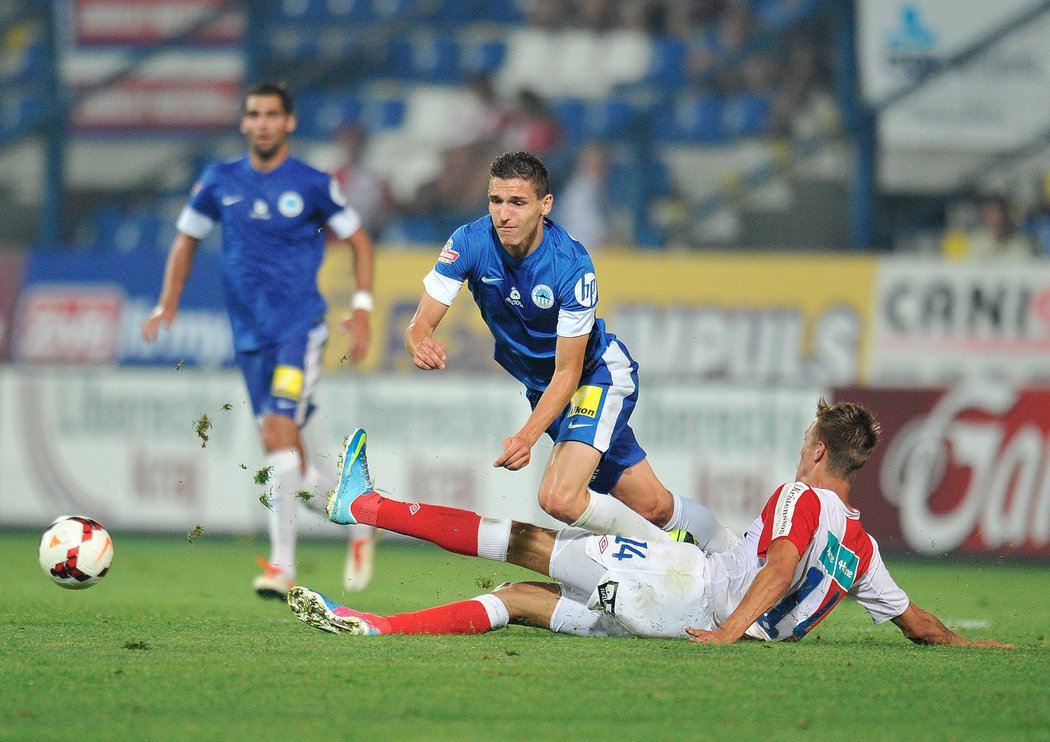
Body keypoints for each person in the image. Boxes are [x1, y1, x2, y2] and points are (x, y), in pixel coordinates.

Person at [289, 401, 1013, 648]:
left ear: (818, 450)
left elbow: (783, 562)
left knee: (523, 541)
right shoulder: (863, 547)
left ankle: (362, 506)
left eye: (805, 442)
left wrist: (729, 629)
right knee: (517, 598)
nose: (802, 451)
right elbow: (918, 623)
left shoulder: (804, 497)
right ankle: (378, 628)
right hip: (668, 617)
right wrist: (986, 648)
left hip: (684, 592)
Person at [404, 150, 737, 552]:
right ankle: (734, 555)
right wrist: (418, 341)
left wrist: (527, 437)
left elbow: (568, 373)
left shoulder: (571, 266)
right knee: (653, 506)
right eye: (495, 201)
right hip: (546, 391)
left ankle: (669, 553)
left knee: (558, 498)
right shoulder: (468, 242)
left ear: (545, 205)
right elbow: (420, 322)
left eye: (517, 203)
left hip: (594, 377)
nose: (503, 214)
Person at [142, 81, 378, 599]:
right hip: (250, 340)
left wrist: (361, 310)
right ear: (245, 123)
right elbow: (186, 239)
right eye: (254, 114)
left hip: (298, 332)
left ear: (289, 122)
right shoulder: (220, 179)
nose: (263, 122)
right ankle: (363, 517)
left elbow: (359, 240)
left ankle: (282, 569)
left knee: (276, 439)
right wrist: (168, 301)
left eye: (273, 114)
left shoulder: (312, 183)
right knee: (294, 464)